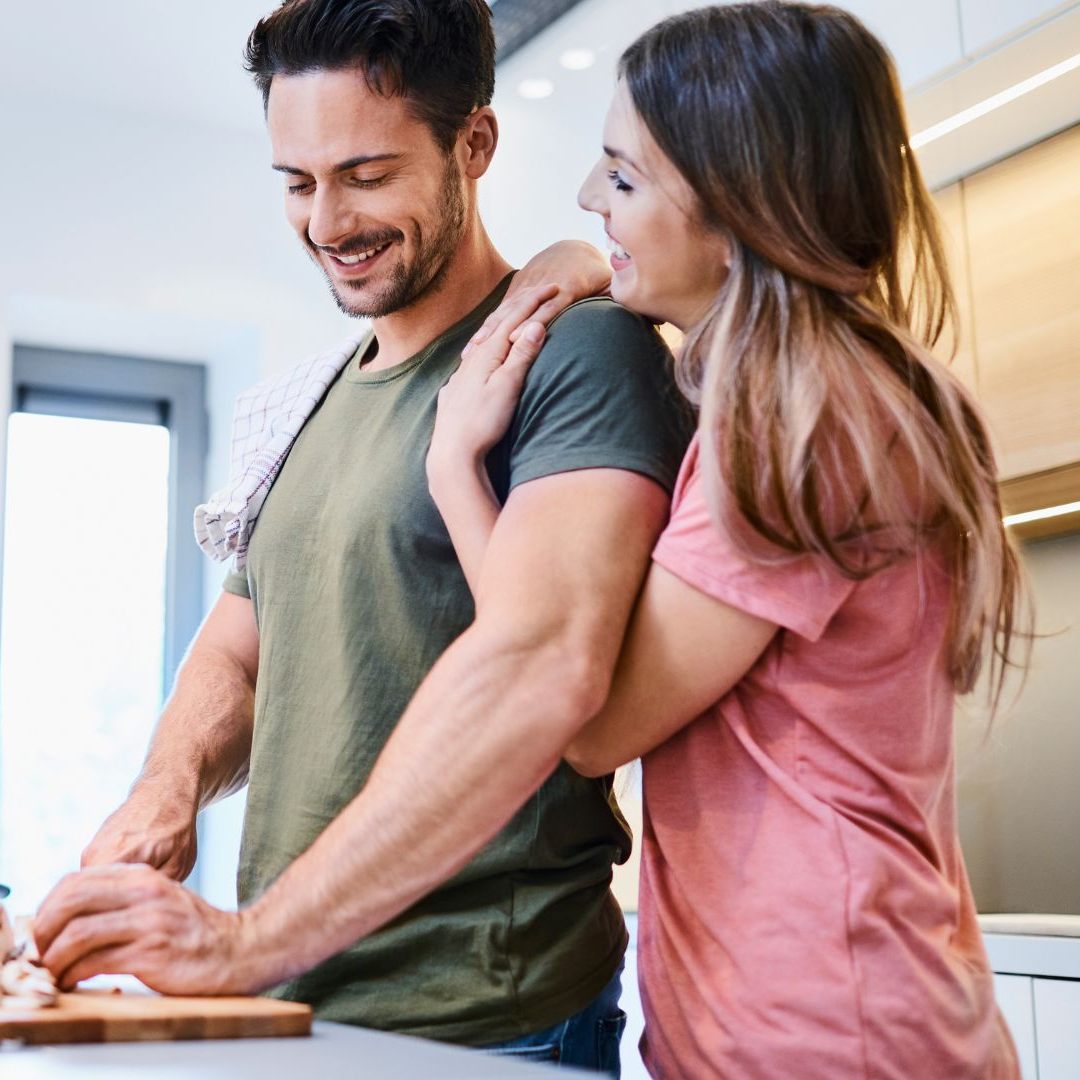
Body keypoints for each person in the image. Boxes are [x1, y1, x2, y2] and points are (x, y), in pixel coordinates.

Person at [32, 1, 692, 1073]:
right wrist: (167, 792)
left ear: (472, 145)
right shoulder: (309, 400)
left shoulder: (577, 352)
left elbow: (544, 670)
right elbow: (245, 646)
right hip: (294, 1006)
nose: (325, 221)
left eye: (366, 174)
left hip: (487, 1018)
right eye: (297, 183)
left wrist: (245, 941)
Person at [426, 3, 1031, 1077]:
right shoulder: (842, 394)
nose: (584, 196)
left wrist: (456, 474)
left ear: (739, 208)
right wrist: (599, 258)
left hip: (820, 1032)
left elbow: (590, 720)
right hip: (827, 1013)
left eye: (621, 175)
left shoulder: (798, 426)